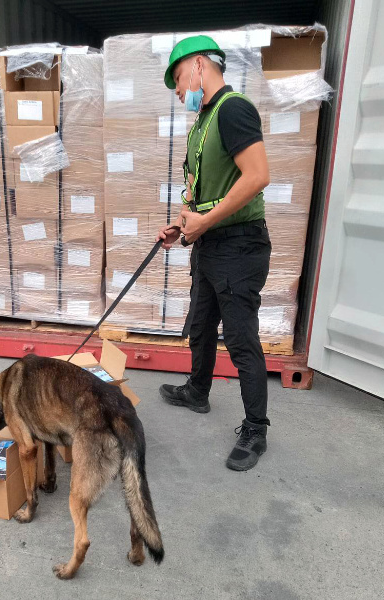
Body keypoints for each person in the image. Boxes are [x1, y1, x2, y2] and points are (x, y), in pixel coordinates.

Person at [156, 36, 272, 471]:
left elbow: (257, 175)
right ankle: (197, 391)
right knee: (201, 325)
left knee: (241, 339)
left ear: (201, 65)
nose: (177, 89)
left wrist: (205, 222)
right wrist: (183, 225)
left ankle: (256, 429)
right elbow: (205, 192)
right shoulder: (203, 120)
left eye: (179, 77)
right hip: (210, 244)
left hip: (240, 246)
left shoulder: (233, 109)